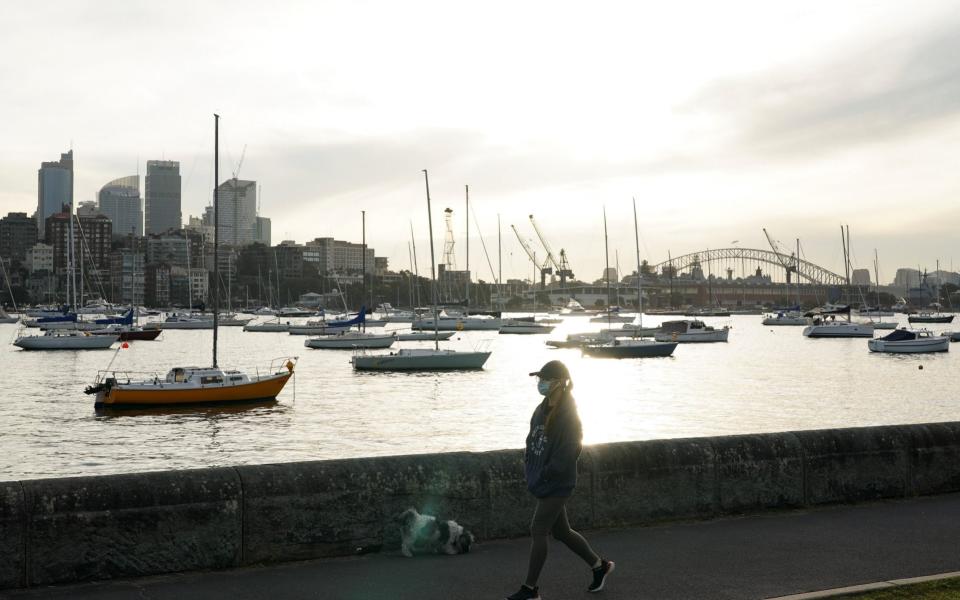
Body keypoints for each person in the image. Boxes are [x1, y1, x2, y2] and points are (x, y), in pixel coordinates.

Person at [505, 360, 614, 600]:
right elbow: (531, 440)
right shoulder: (541, 409)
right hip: (543, 480)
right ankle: (599, 566)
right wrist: (531, 468)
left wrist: (546, 473)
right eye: (539, 379)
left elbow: (570, 451)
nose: (540, 383)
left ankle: (530, 590)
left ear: (559, 383)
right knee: (562, 532)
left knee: (538, 529)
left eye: (545, 379)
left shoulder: (569, 416)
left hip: (558, 482)